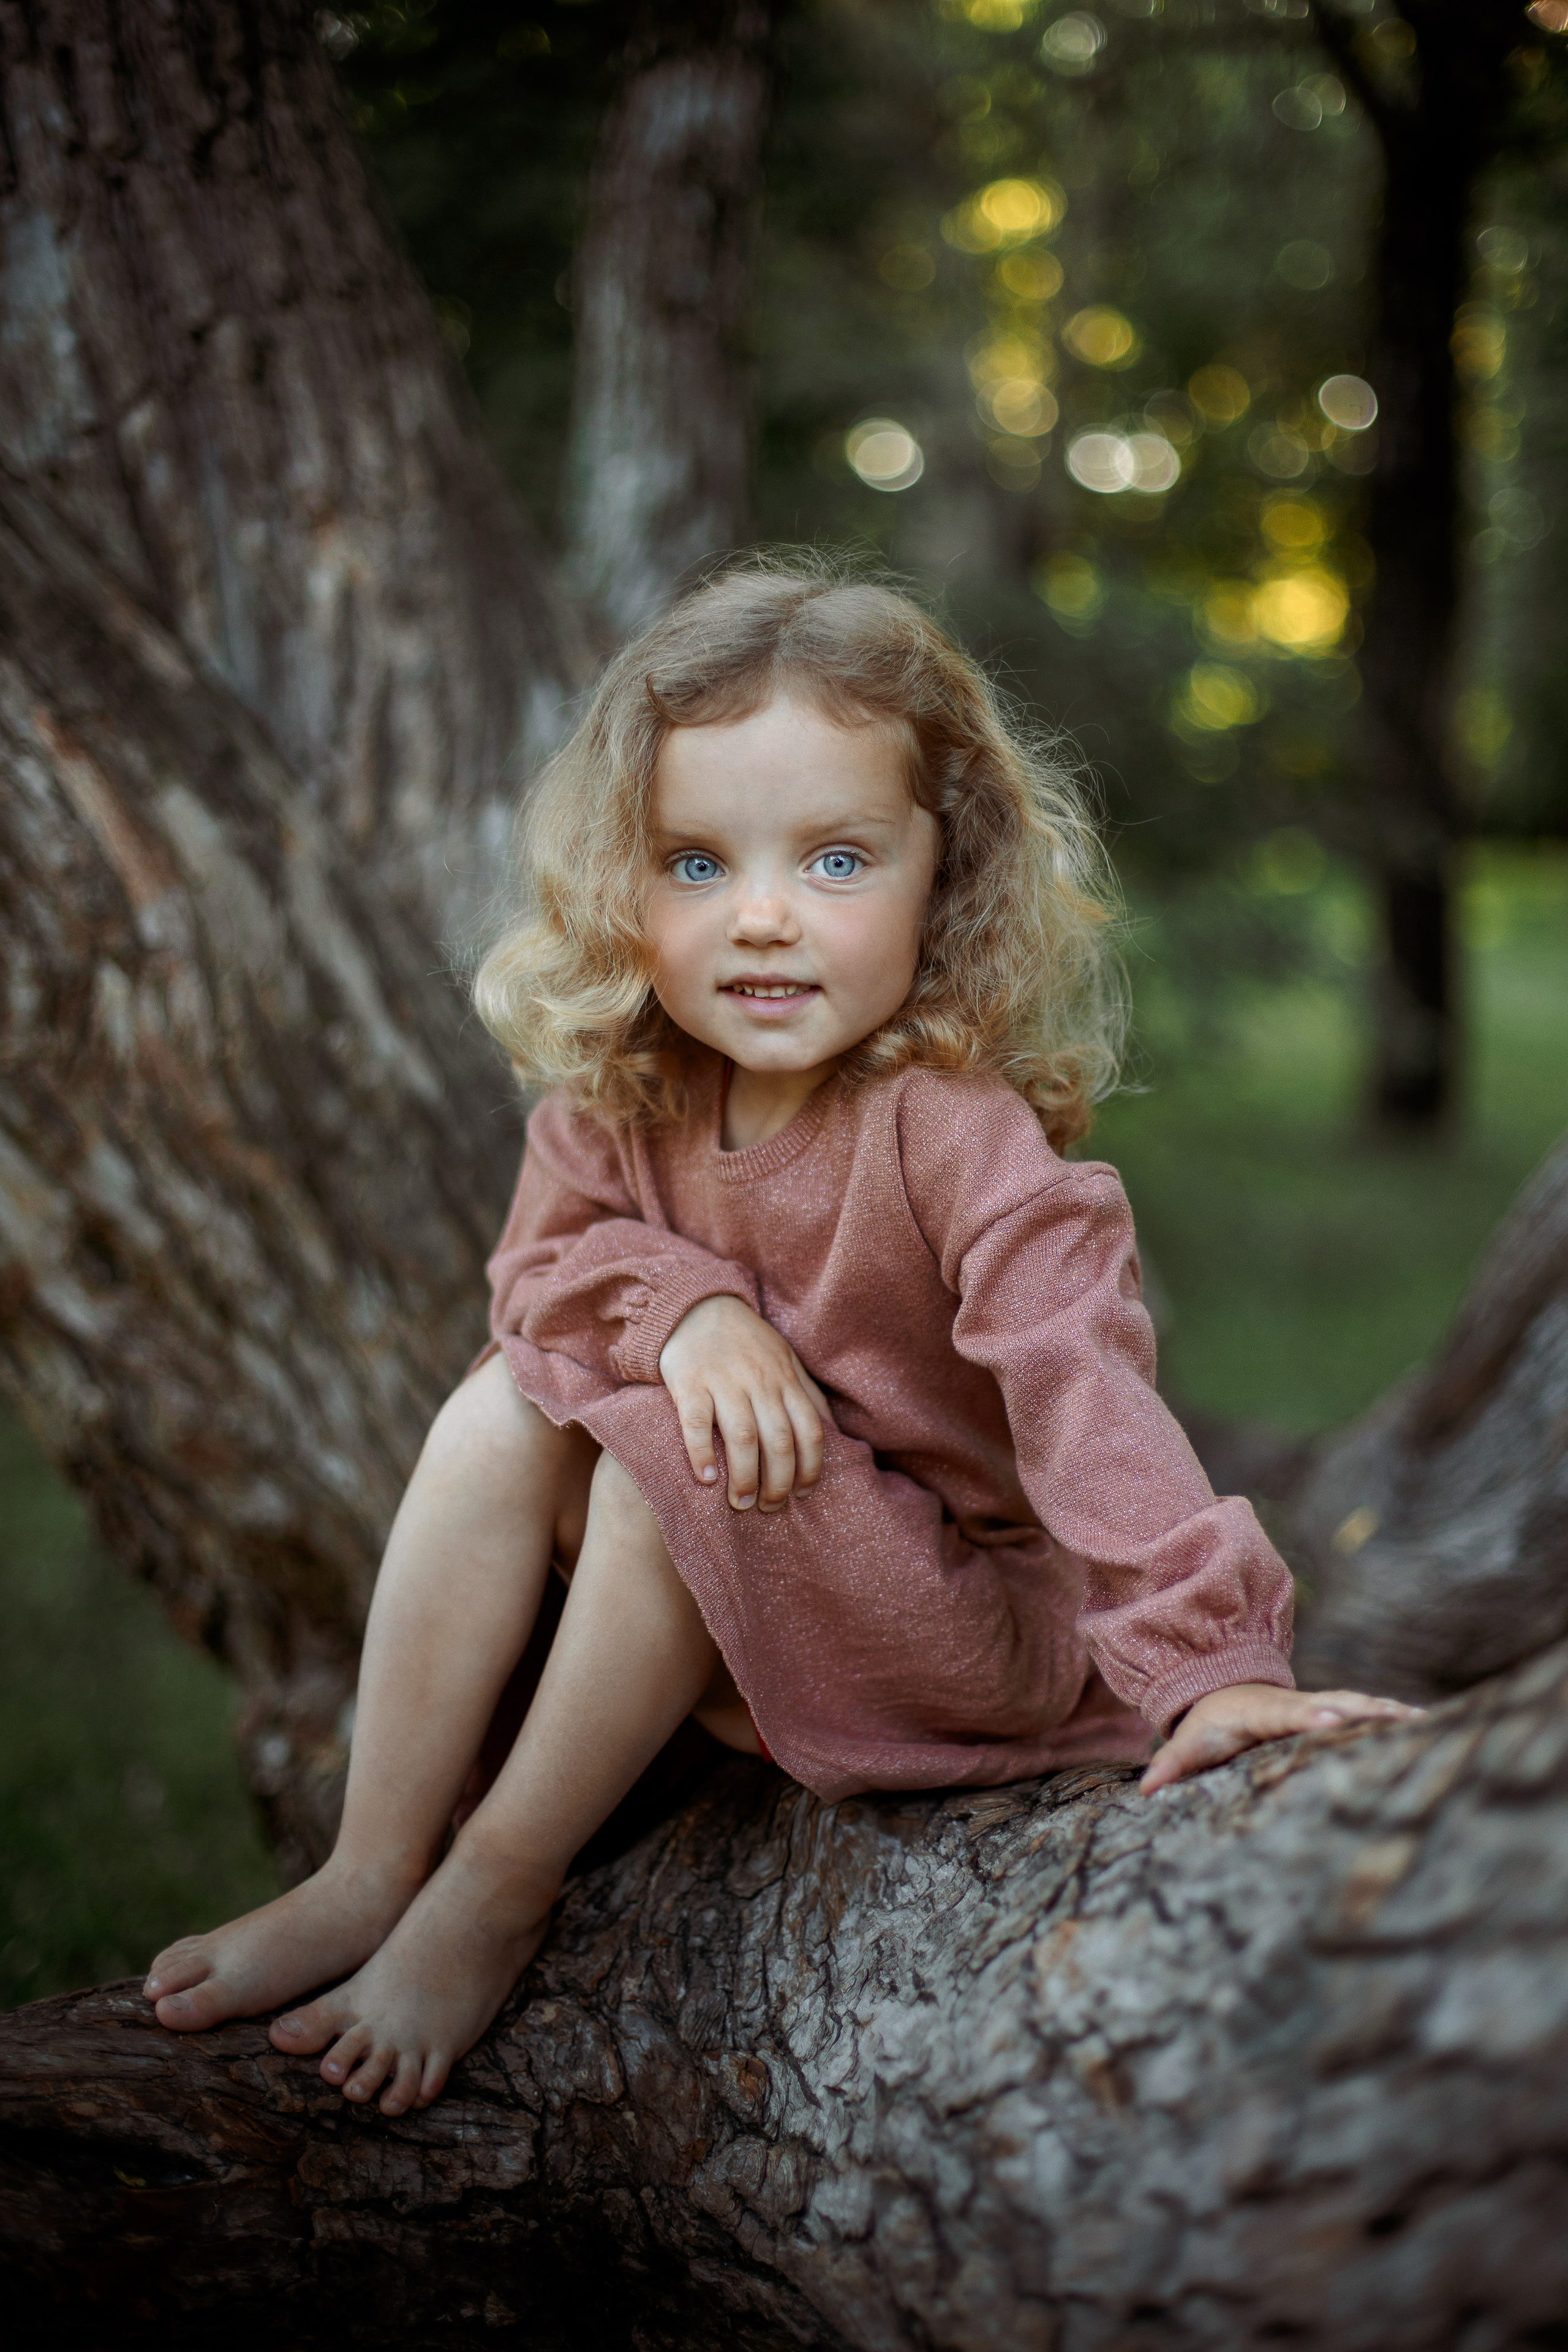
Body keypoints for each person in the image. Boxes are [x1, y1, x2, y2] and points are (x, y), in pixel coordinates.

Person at [143, 560, 1417, 2117]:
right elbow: (536, 1282)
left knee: (662, 1449)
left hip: (954, 1623)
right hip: (735, 1575)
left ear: (940, 879)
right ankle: (367, 1866)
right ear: (623, 881)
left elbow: (1082, 1386)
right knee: (503, 1405)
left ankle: (495, 1882)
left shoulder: (954, 1136)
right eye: (693, 863)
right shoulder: (622, 1099)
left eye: (831, 860)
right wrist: (689, 1311)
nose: (758, 922)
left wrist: (1210, 1662)